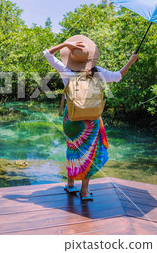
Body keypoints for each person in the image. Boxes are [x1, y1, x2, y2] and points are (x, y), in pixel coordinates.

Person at [43, 34, 138, 201]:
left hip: (72, 119)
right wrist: (131, 61)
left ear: (70, 57)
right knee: (89, 153)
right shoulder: (98, 71)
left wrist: (65, 44)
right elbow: (118, 76)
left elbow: (47, 54)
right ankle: (84, 191)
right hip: (92, 119)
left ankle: (70, 185)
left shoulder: (66, 71)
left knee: (72, 149)